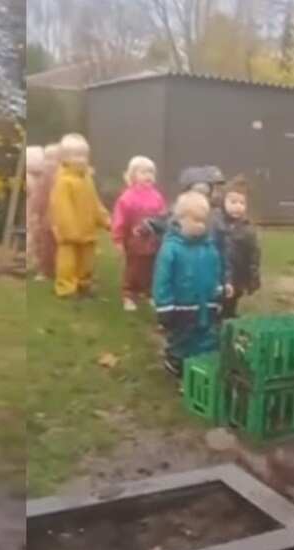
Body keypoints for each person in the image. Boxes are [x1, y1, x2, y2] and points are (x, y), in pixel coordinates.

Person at [153, 191, 230, 379]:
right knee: (182, 338)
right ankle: (175, 362)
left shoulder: (209, 247)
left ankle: (200, 368)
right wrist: (165, 307)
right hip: (181, 306)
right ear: (180, 220)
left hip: (207, 303)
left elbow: (217, 269)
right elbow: (162, 280)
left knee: (206, 336)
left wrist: (220, 289)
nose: (200, 226)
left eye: (204, 221)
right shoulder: (171, 249)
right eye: (195, 220)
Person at [49, 133, 110, 298]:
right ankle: (66, 287)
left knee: (87, 262)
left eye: (84, 155)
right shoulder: (63, 182)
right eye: (76, 155)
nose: (81, 159)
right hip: (70, 234)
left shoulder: (87, 180)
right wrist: (69, 230)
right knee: (67, 263)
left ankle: (84, 283)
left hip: (88, 230)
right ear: (65, 158)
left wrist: (105, 219)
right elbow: (61, 208)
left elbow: (94, 202)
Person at [111, 156, 167, 311]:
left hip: (154, 241)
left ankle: (149, 292)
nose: (148, 175)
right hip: (134, 243)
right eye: (143, 172)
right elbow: (119, 219)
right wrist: (118, 239)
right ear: (133, 175)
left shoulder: (157, 196)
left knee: (152, 268)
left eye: (151, 172)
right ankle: (129, 295)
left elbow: (163, 216)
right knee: (133, 270)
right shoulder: (127, 198)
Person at [220, 176, 261, 318]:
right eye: (233, 202)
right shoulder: (216, 224)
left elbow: (254, 255)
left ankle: (229, 316)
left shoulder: (248, 230)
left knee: (232, 301)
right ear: (223, 202)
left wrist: (253, 278)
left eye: (242, 203)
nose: (237, 206)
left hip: (238, 275)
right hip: (219, 274)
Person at [32, 143, 60, 282]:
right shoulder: (44, 177)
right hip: (46, 218)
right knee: (44, 245)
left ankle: (59, 268)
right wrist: (37, 212)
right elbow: (39, 196)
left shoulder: (62, 177)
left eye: (54, 158)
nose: (50, 162)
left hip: (61, 217)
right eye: (47, 158)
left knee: (60, 246)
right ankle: (44, 270)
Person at [25, 145, 44, 265]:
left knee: (34, 235)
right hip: (32, 211)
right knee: (33, 235)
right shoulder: (32, 179)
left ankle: (35, 260)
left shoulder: (36, 179)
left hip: (34, 211)